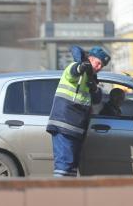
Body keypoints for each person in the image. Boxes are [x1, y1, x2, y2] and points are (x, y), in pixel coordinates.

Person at [46, 46, 111, 177]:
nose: (99, 67)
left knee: (71, 168)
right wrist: (81, 67)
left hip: (75, 128)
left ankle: (68, 195)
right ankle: (58, 195)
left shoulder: (91, 78)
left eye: (102, 66)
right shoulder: (77, 67)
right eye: (98, 63)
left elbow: (97, 99)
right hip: (64, 124)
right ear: (90, 59)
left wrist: (94, 88)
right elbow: (72, 73)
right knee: (64, 166)